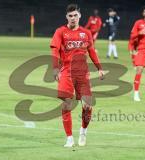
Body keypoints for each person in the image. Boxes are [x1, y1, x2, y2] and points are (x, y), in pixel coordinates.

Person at [50, 4, 104, 147]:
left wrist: (99, 67)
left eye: (75, 15)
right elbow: (55, 50)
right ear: (66, 17)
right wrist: (55, 69)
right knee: (67, 104)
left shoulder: (86, 33)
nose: (73, 18)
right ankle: (69, 138)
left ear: (79, 16)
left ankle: (83, 131)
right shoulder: (60, 31)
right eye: (70, 16)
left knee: (87, 106)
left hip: (82, 73)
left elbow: (91, 51)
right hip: (66, 71)